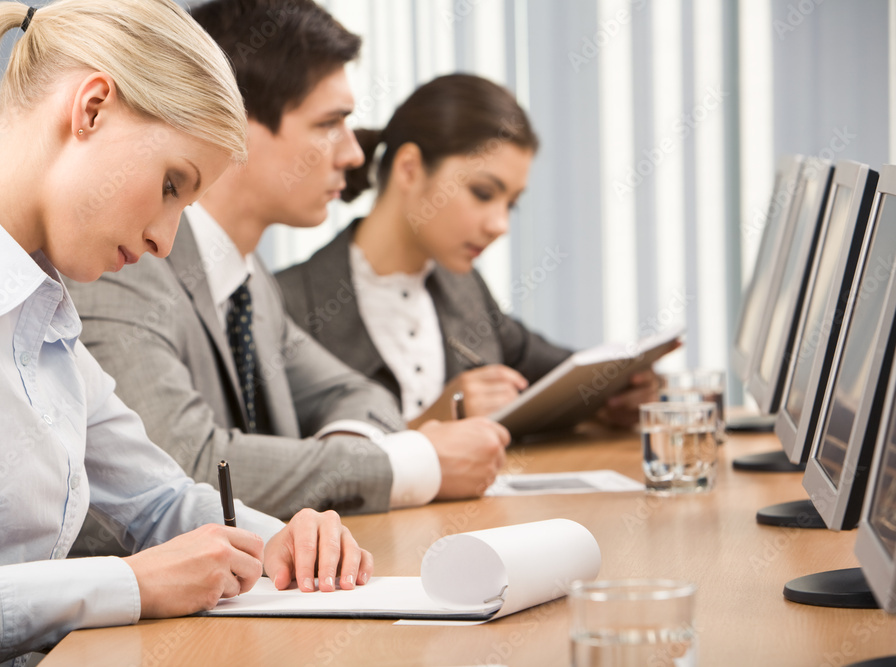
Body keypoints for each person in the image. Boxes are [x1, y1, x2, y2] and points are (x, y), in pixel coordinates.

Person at [0, 2, 370, 665]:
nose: (163, 239)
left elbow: (161, 499)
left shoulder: (43, 311)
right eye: (172, 184)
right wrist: (132, 584)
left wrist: (279, 541)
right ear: (91, 108)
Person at [65, 0, 509, 543]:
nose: (352, 154)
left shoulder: (250, 286)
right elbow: (185, 467)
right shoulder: (123, 263)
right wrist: (409, 464)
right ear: (231, 124)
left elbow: (359, 396)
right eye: (329, 124)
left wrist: (347, 457)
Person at [276, 74, 658, 429]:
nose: (500, 225)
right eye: (483, 193)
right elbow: (290, 468)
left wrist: (618, 392)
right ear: (409, 169)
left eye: (511, 204)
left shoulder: (464, 288)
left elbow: (563, 377)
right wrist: (429, 427)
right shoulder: (284, 305)